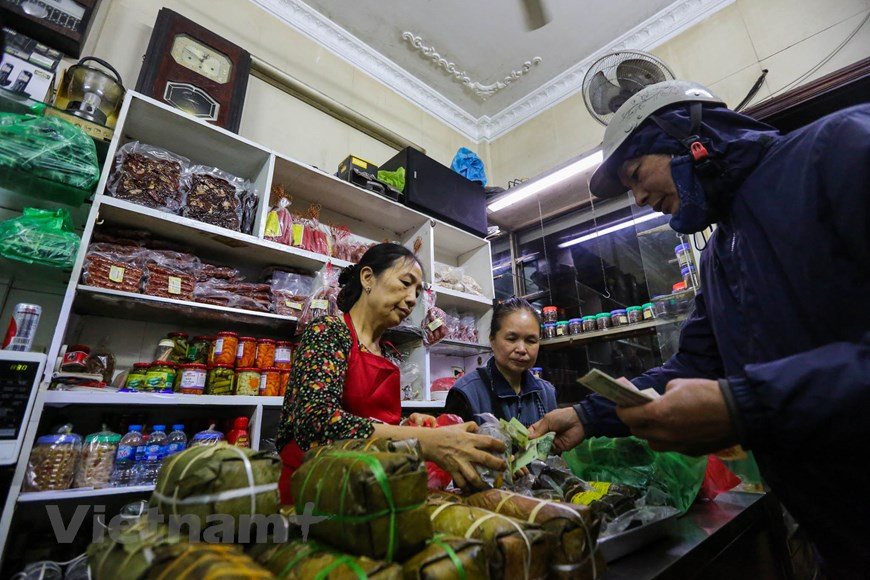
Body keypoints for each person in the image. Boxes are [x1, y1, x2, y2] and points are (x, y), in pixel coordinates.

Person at [528, 81, 870, 576]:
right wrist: (591, 413)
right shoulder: (718, 254)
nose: (640, 196)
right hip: (838, 536)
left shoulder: (838, 147)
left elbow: (746, 396)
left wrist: (744, 406)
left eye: (637, 174)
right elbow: (695, 365)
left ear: (689, 136)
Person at [276, 243, 507, 503]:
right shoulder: (328, 332)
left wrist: (406, 426)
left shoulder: (384, 350)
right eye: (405, 283)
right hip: (314, 489)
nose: (412, 298)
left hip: (366, 487)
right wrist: (423, 441)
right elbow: (316, 423)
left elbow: (367, 422)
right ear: (367, 278)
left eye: (417, 292)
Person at [443, 297, 557, 426]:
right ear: (492, 340)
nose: (521, 349)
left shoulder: (546, 393)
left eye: (530, 341)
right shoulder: (466, 393)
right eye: (512, 339)